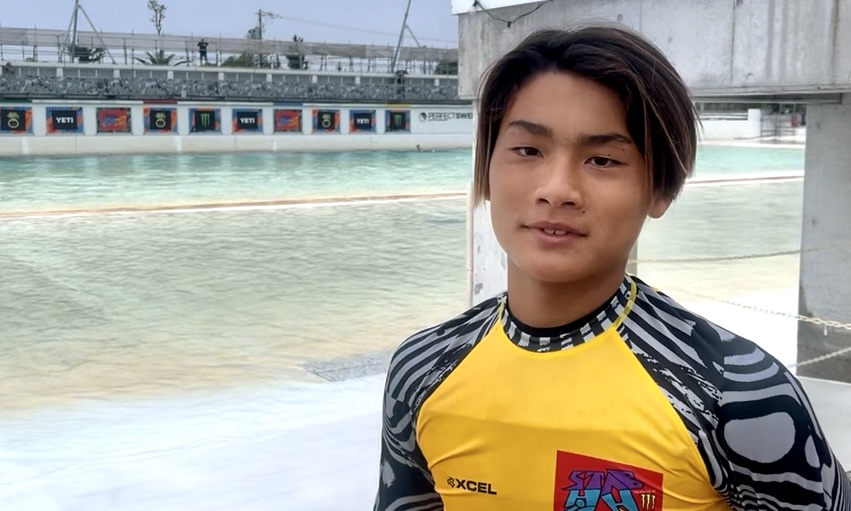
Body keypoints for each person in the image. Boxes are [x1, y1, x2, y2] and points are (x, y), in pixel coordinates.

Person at [373, 25, 851, 511]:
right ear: (486, 171)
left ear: (661, 190)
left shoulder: (739, 393)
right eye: (528, 150)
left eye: (602, 160)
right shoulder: (423, 370)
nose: (557, 189)